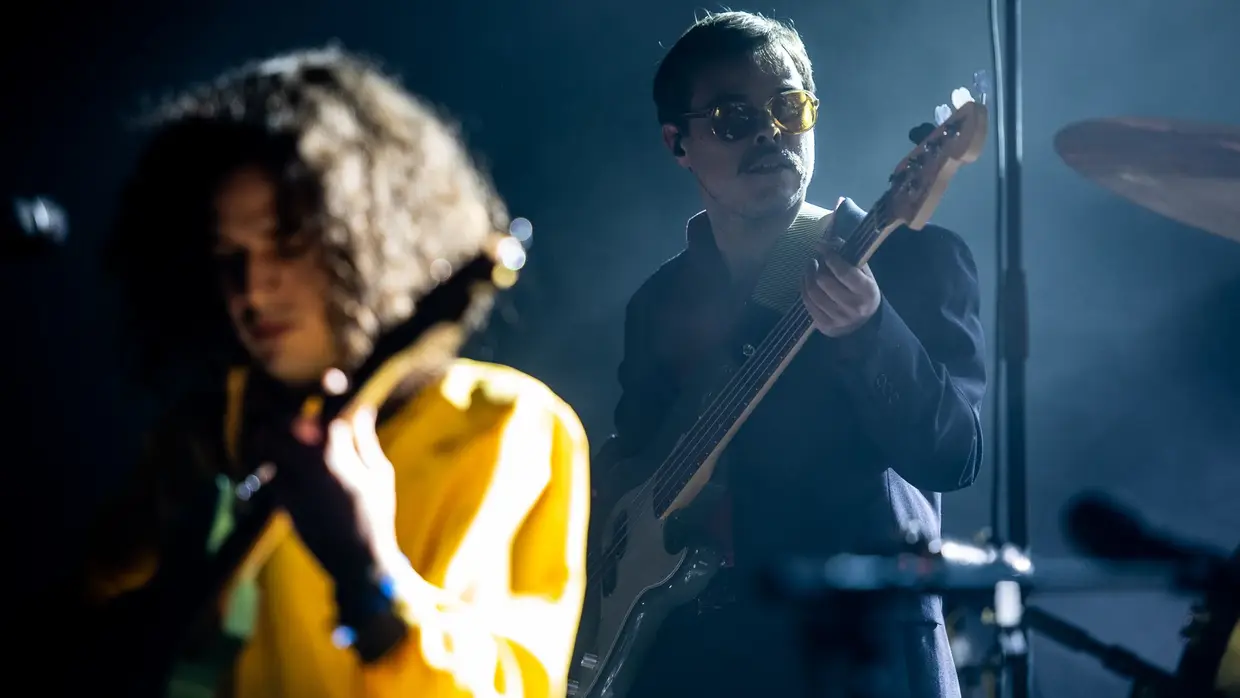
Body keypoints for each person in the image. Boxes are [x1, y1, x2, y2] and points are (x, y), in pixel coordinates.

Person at [75, 47, 591, 698]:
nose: (252, 290)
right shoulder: (217, 423)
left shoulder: (506, 426)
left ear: (375, 237)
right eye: (228, 254)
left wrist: (367, 570)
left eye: (289, 245)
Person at [595, 11, 985, 698]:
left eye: (788, 105)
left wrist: (870, 330)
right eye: (730, 118)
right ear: (677, 143)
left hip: (858, 662)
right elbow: (635, 461)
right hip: (688, 662)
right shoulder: (657, 303)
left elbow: (952, 456)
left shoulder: (915, 262)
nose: (770, 132)